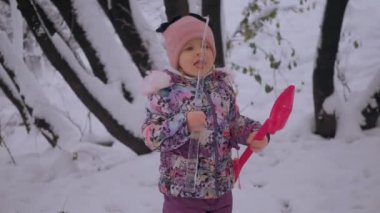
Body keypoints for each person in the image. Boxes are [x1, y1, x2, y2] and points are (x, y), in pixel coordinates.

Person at [141, 13, 269, 213]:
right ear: (176, 56)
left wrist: (254, 134)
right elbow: (151, 136)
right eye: (189, 48)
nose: (199, 52)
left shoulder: (221, 87)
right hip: (183, 196)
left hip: (221, 190)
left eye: (205, 46)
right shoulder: (166, 92)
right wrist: (184, 123)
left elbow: (233, 123)